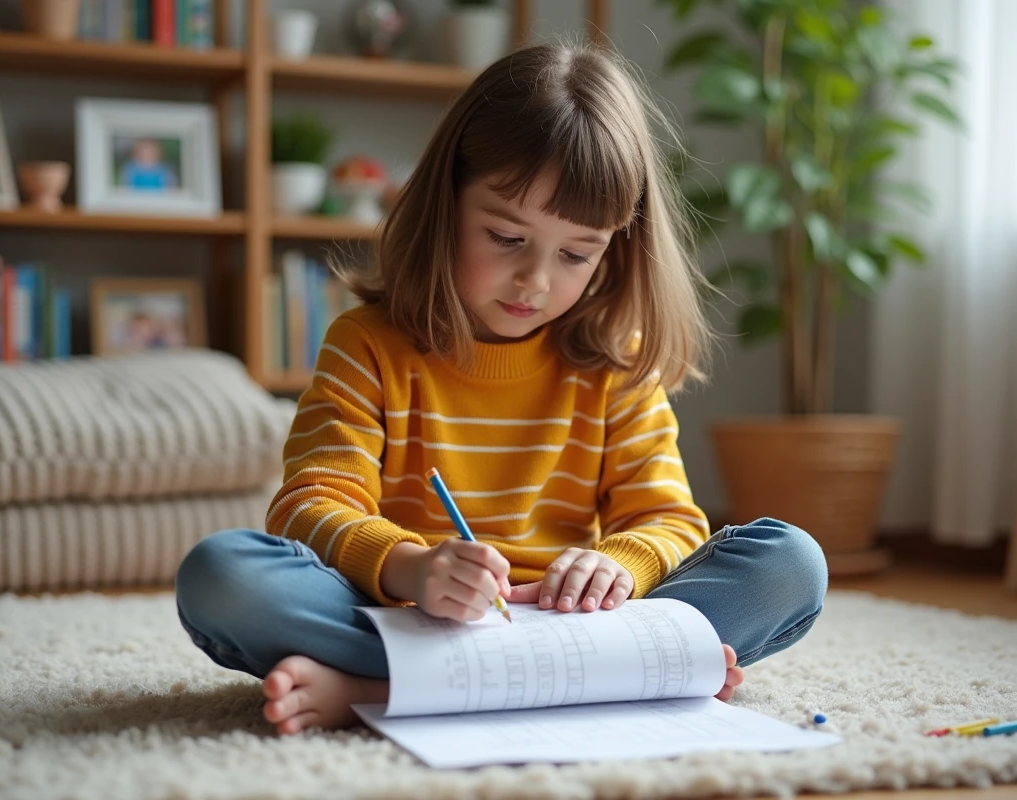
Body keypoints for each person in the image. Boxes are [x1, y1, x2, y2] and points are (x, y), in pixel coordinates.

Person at [175, 41, 828, 735]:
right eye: (506, 237)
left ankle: (375, 690)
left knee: (790, 564)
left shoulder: (614, 362)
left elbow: (667, 520)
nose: (536, 282)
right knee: (224, 574)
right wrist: (412, 569)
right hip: (411, 618)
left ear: (617, 247)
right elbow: (311, 505)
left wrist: (616, 568)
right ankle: (609, 684)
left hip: (574, 631)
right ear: (446, 201)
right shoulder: (367, 344)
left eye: (577, 253)